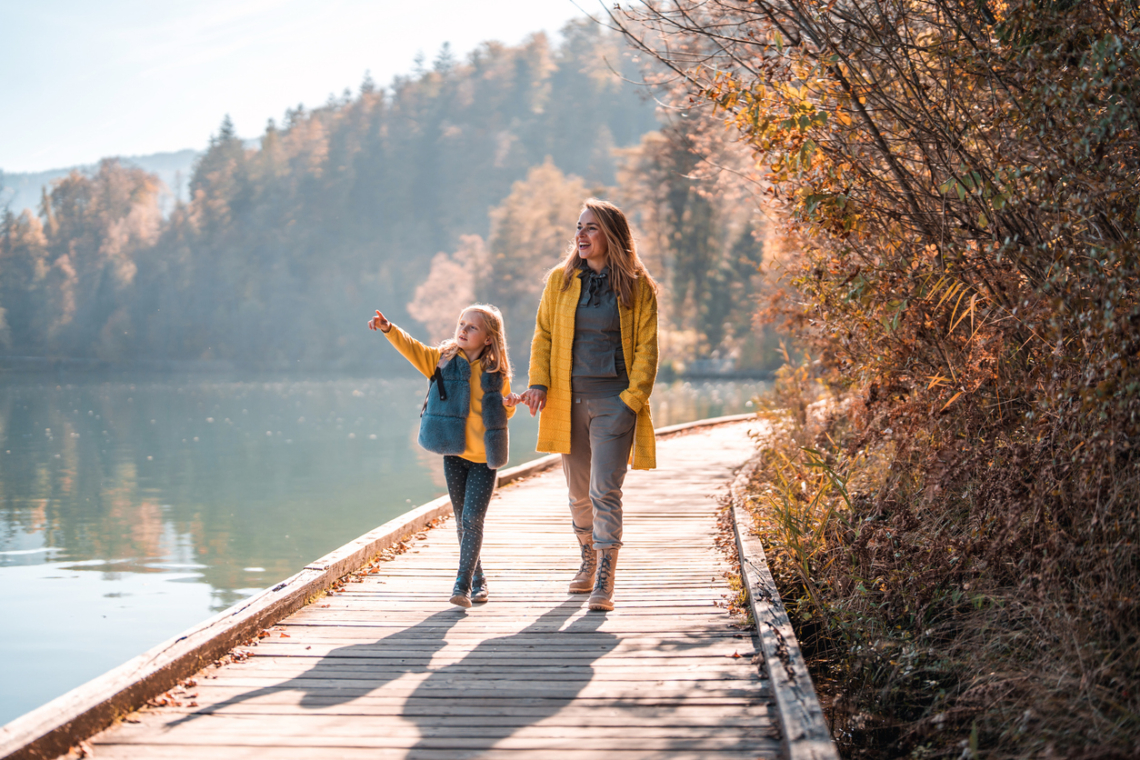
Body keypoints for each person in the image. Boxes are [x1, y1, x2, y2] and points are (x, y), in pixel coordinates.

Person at [519, 198, 659, 612]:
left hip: (615, 402)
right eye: (579, 227)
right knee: (578, 493)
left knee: (604, 490)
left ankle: (604, 578)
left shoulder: (638, 286)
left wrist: (632, 400)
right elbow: (543, 335)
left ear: (612, 235)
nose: (580, 235)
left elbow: (648, 349)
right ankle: (587, 558)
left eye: (591, 228)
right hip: (567, 400)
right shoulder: (559, 282)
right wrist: (538, 383)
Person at [369, 304, 520, 608]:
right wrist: (389, 329)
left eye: (472, 327)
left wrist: (510, 403)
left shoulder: (495, 373)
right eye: (461, 324)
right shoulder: (442, 360)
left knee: (473, 519)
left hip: (483, 458)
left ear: (488, 338)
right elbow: (412, 349)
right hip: (453, 452)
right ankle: (478, 580)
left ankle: (461, 586)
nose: (462, 330)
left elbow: (504, 412)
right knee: (463, 522)